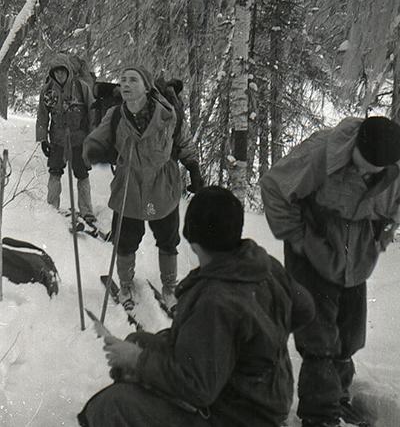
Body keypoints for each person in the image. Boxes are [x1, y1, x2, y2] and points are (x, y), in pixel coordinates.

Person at [77, 186, 315, 427]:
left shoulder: (216, 299)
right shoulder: (263, 264)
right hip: (264, 394)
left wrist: (137, 361)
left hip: (239, 414)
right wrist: (254, 346)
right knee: (138, 340)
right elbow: (305, 308)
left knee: (112, 405)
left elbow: (198, 387)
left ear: (194, 242)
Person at [261, 115, 400, 427]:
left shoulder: (394, 167)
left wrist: (383, 236)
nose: (364, 172)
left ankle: (337, 398)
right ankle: (319, 415)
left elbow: (394, 207)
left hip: (356, 257)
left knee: (349, 337)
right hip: (312, 248)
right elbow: (274, 186)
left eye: (372, 170)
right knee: (319, 338)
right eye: (361, 163)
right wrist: (296, 237)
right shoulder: (323, 151)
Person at [82, 65, 203, 310]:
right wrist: (91, 151)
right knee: (125, 241)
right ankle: (125, 285)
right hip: (130, 187)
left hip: (162, 187)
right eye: (123, 80)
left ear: (146, 88)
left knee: (168, 241)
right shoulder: (115, 115)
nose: (126, 84)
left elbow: (184, 141)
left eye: (133, 80)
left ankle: (170, 290)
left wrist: (193, 168)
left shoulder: (168, 115)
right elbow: (97, 139)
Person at [36, 53, 96, 223]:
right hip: (57, 140)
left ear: (68, 71)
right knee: (55, 172)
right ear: (52, 73)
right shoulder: (47, 90)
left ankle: (86, 211)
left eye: (62, 71)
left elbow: (92, 111)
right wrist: (42, 139)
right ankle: (51, 208)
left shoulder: (81, 87)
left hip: (79, 140)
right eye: (56, 72)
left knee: (82, 174)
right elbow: (42, 115)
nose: (59, 75)